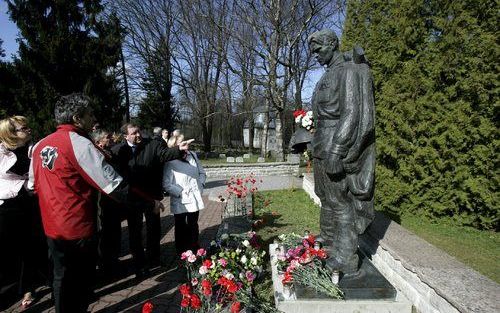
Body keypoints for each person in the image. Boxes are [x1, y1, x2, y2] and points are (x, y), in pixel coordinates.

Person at [28, 93, 164, 313]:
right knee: (80, 282)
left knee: (61, 278)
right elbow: (114, 186)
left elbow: (32, 186)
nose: (94, 118)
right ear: (77, 118)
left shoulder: (40, 145)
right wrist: (150, 204)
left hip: (52, 226)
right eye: (90, 114)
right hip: (77, 228)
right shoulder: (79, 144)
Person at [308, 29, 375, 276]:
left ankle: (346, 257)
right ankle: (328, 239)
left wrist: (337, 150)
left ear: (333, 44)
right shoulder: (328, 74)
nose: (315, 55)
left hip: (334, 146)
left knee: (339, 201)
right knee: (324, 195)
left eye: (319, 50)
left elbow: (353, 113)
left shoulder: (349, 71)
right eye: (313, 51)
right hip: (321, 146)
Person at [111, 123, 193, 278]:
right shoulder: (118, 151)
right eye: (134, 133)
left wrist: (178, 149)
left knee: (153, 229)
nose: (138, 135)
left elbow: (164, 154)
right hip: (132, 199)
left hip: (151, 198)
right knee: (134, 232)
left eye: (139, 131)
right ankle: (139, 264)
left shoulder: (152, 144)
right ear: (125, 136)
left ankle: (154, 258)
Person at [0, 116, 47, 310]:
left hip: (30, 204)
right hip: (7, 206)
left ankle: (29, 288)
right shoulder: (0, 151)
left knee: (31, 246)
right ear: (11, 133)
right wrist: (24, 185)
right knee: (8, 251)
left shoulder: (33, 148)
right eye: (23, 127)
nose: (28, 129)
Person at [163, 133, 206, 255]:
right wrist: (181, 192)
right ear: (175, 146)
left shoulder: (192, 155)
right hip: (180, 199)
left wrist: (201, 185)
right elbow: (166, 184)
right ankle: (181, 250)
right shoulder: (170, 161)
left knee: (193, 224)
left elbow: (202, 173)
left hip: (194, 197)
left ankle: (194, 247)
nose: (186, 143)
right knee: (180, 225)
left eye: (185, 141)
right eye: (182, 142)